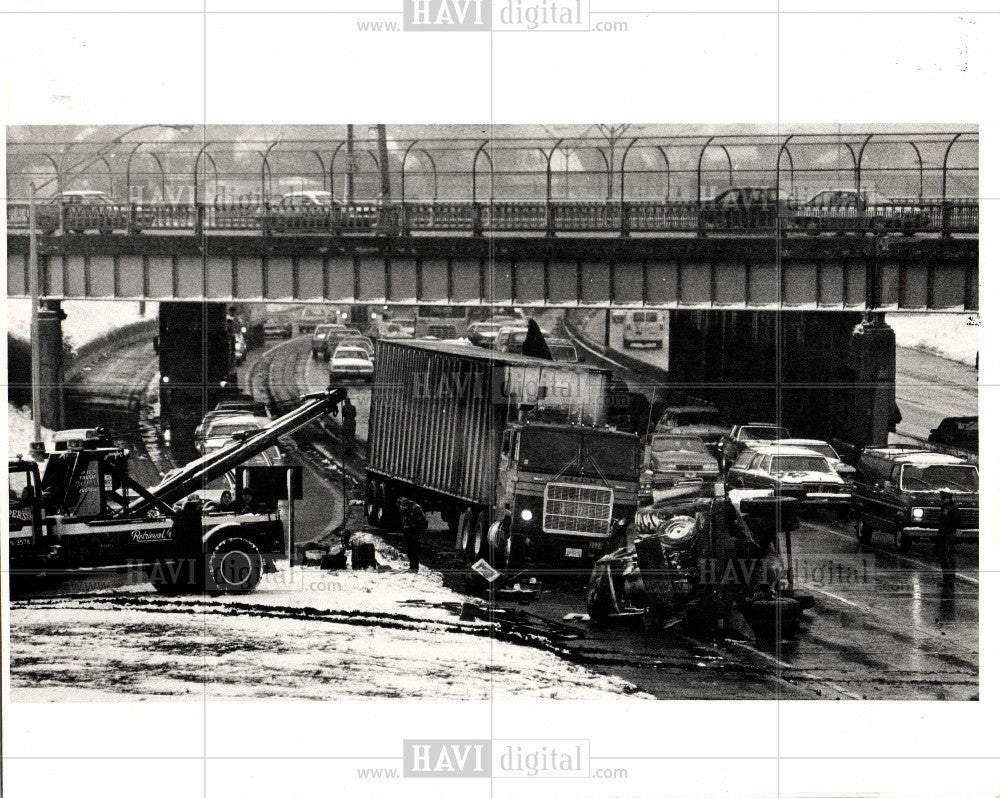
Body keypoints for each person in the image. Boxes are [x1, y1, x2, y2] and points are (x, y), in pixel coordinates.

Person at [396, 496, 427, 572]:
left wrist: (415, 529)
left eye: (402, 506)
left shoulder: (416, 508)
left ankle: (414, 566)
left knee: (413, 548)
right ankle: (412, 565)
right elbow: (405, 519)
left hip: (414, 530)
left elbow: (422, 522)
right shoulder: (404, 508)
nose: (401, 508)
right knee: (409, 548)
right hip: (408, 529)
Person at [936, 490, 959, 586]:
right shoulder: (954, 507)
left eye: (942, 498)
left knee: (945, 557)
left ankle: (948, 580)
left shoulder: (947, 508)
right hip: (951, 534)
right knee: (949, 557)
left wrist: (940, 534)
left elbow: (944, 523)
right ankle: (949, 580)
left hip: (946, 535)